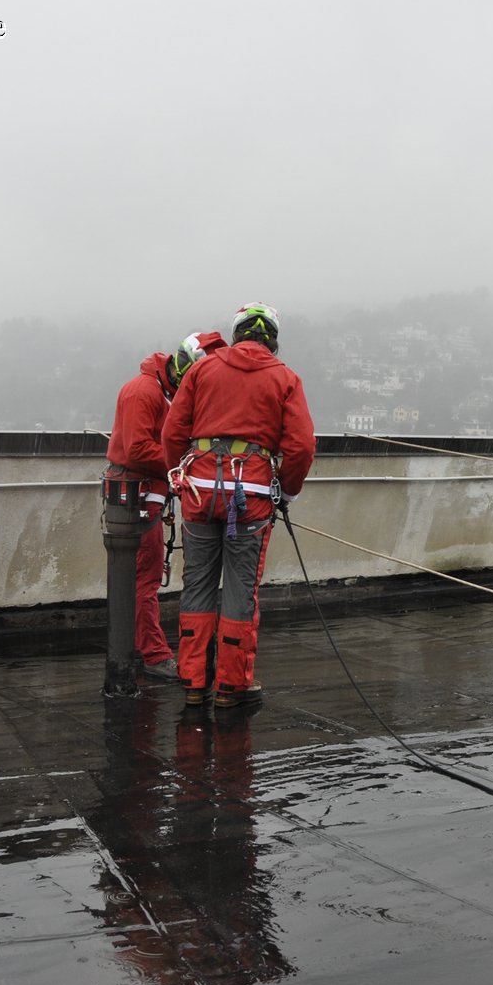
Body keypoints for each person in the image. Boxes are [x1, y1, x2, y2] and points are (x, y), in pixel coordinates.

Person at [161, 303, 316, 709]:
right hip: (251, 499)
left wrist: (182, 477)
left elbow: (173, 433)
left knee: (196, 586)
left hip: (199, 494)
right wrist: (289, 490)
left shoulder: (201, 370)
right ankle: (232, 686)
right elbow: (301, 447)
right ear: (273, 341)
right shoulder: (285, 379)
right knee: (240, 591)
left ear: (237, 334)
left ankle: (194, 681)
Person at [105, 330, 227, 680]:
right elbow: (138, 449)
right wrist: (186, 463)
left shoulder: (159, 390)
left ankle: (140, 646)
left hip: (143, 495)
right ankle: (153, 654)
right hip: (137, 499)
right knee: (144, 579)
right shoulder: (144, 392)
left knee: (142, 577)